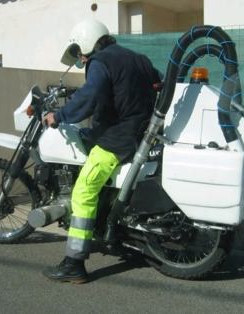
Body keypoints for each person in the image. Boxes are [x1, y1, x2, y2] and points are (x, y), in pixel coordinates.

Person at [42, 19, 161, 284]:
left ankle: (74, 263)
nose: (81, 58)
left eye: (79, 51)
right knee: (86, 140)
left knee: (83, 191)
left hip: (117, 138)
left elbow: (91, 96)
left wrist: (59, 115)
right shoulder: (137, 58)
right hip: (140, 134)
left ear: (87, 41)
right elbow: (158, 83)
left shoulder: (100, 62)